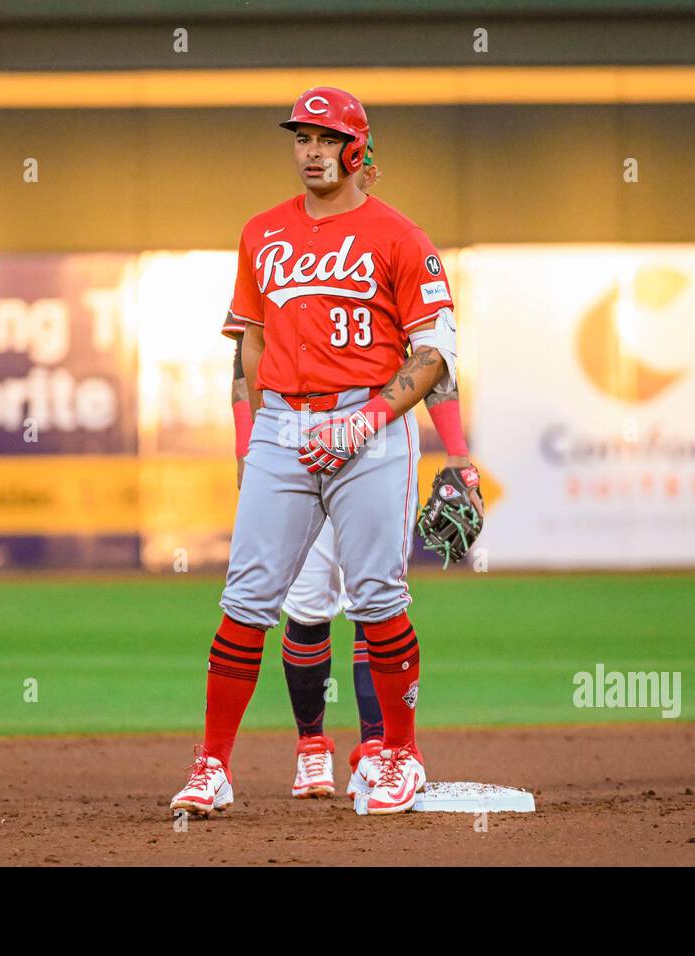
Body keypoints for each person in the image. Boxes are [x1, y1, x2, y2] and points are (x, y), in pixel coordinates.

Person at [172, 86, 464, 816]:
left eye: (326, 138)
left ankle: (398, 754)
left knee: (377, 598)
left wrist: (371, 417)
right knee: (245, 601)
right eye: (301, 137)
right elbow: (250, 341)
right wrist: (252, 441)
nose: (310, 150)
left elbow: (431, 357)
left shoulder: (400, 236)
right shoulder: (262, 232)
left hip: (369, 427)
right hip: (284, 427)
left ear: (358, 149)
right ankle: (212, 767)